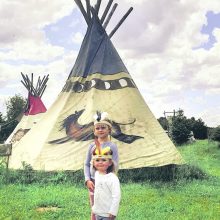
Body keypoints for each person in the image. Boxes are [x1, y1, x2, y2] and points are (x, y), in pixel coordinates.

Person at [84, 112, 119, 220]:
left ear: (109, 130)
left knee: (106, 202)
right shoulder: (91, 146)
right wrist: (87, 179)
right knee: (94, 205)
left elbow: (115, 164)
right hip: (94, 181)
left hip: (106, 181)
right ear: (94, 131)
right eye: (97, 128)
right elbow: (86, 164)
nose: (100, 130)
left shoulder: (112, 146)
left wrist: (110, 178)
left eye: (103, 127)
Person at [92, 153, 121, 220]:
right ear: (93, 162)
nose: (100, 162)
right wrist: (94, 208)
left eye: (104, 160)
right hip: (98, 212)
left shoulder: (112, 178)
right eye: (97, 160)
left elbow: (116, 196)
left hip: (107, 214)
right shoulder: (96, 174)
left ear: (110, 163)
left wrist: (113, 211)